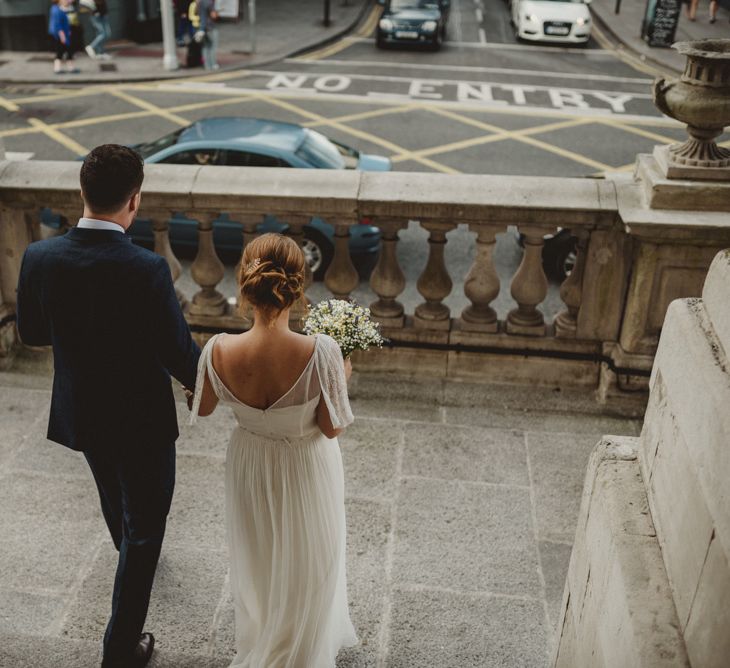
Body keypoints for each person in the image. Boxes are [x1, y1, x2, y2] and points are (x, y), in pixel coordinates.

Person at [16, 144, 201, 668]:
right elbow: (177, 352)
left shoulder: (40, 257)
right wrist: (207, 382)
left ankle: (130, 560)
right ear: (135, 201)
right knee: (146, 527)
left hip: (83, 410)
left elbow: (32, 333)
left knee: (113, 495)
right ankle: (120, 650)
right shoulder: (146, 269)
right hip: (141, 419)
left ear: (82, 192)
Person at [189, 233, 359, 667]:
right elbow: (331, 427)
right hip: (306, 466)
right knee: (310, 561)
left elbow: (203, 408)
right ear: (298, 288)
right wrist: (343, 374)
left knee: (260, 555)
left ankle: (267, 638)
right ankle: (299, 649)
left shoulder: (217, 349)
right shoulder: (321, 351)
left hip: (249, 463)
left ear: (244, 285)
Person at [48, 0, 74, 74]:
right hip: (61, 35)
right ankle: (57, 68)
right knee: (61, 51)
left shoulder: (58, 8)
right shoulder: (56, 10)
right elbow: (58, 25)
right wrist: (62, 36)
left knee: (68, 51)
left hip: (64, 34)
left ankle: (70, 68)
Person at [197, 0, 220, 71]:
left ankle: (207, 65)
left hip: (202, 28)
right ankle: (213, 64)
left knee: (205, 47)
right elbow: (214, 15)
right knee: (212, 46)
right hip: (211, 27)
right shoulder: (209, 3)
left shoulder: (199, 2)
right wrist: (217, 13)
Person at [61, 0, 84, 64]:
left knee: (72, 38)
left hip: (72, 21)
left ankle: (69, 54)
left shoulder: (71, 6)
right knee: (66, 38)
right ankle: (65, 54)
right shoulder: (61, 6)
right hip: (65, 21)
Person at [185, 0, 204, 68]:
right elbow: (190, 16)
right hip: (196, 27)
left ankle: (201, 59)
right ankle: (197, 60)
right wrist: (199, 18)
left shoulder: (203, 4)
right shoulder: (193, 5)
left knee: (202, 44)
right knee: (197, 43)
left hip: (202, 26)